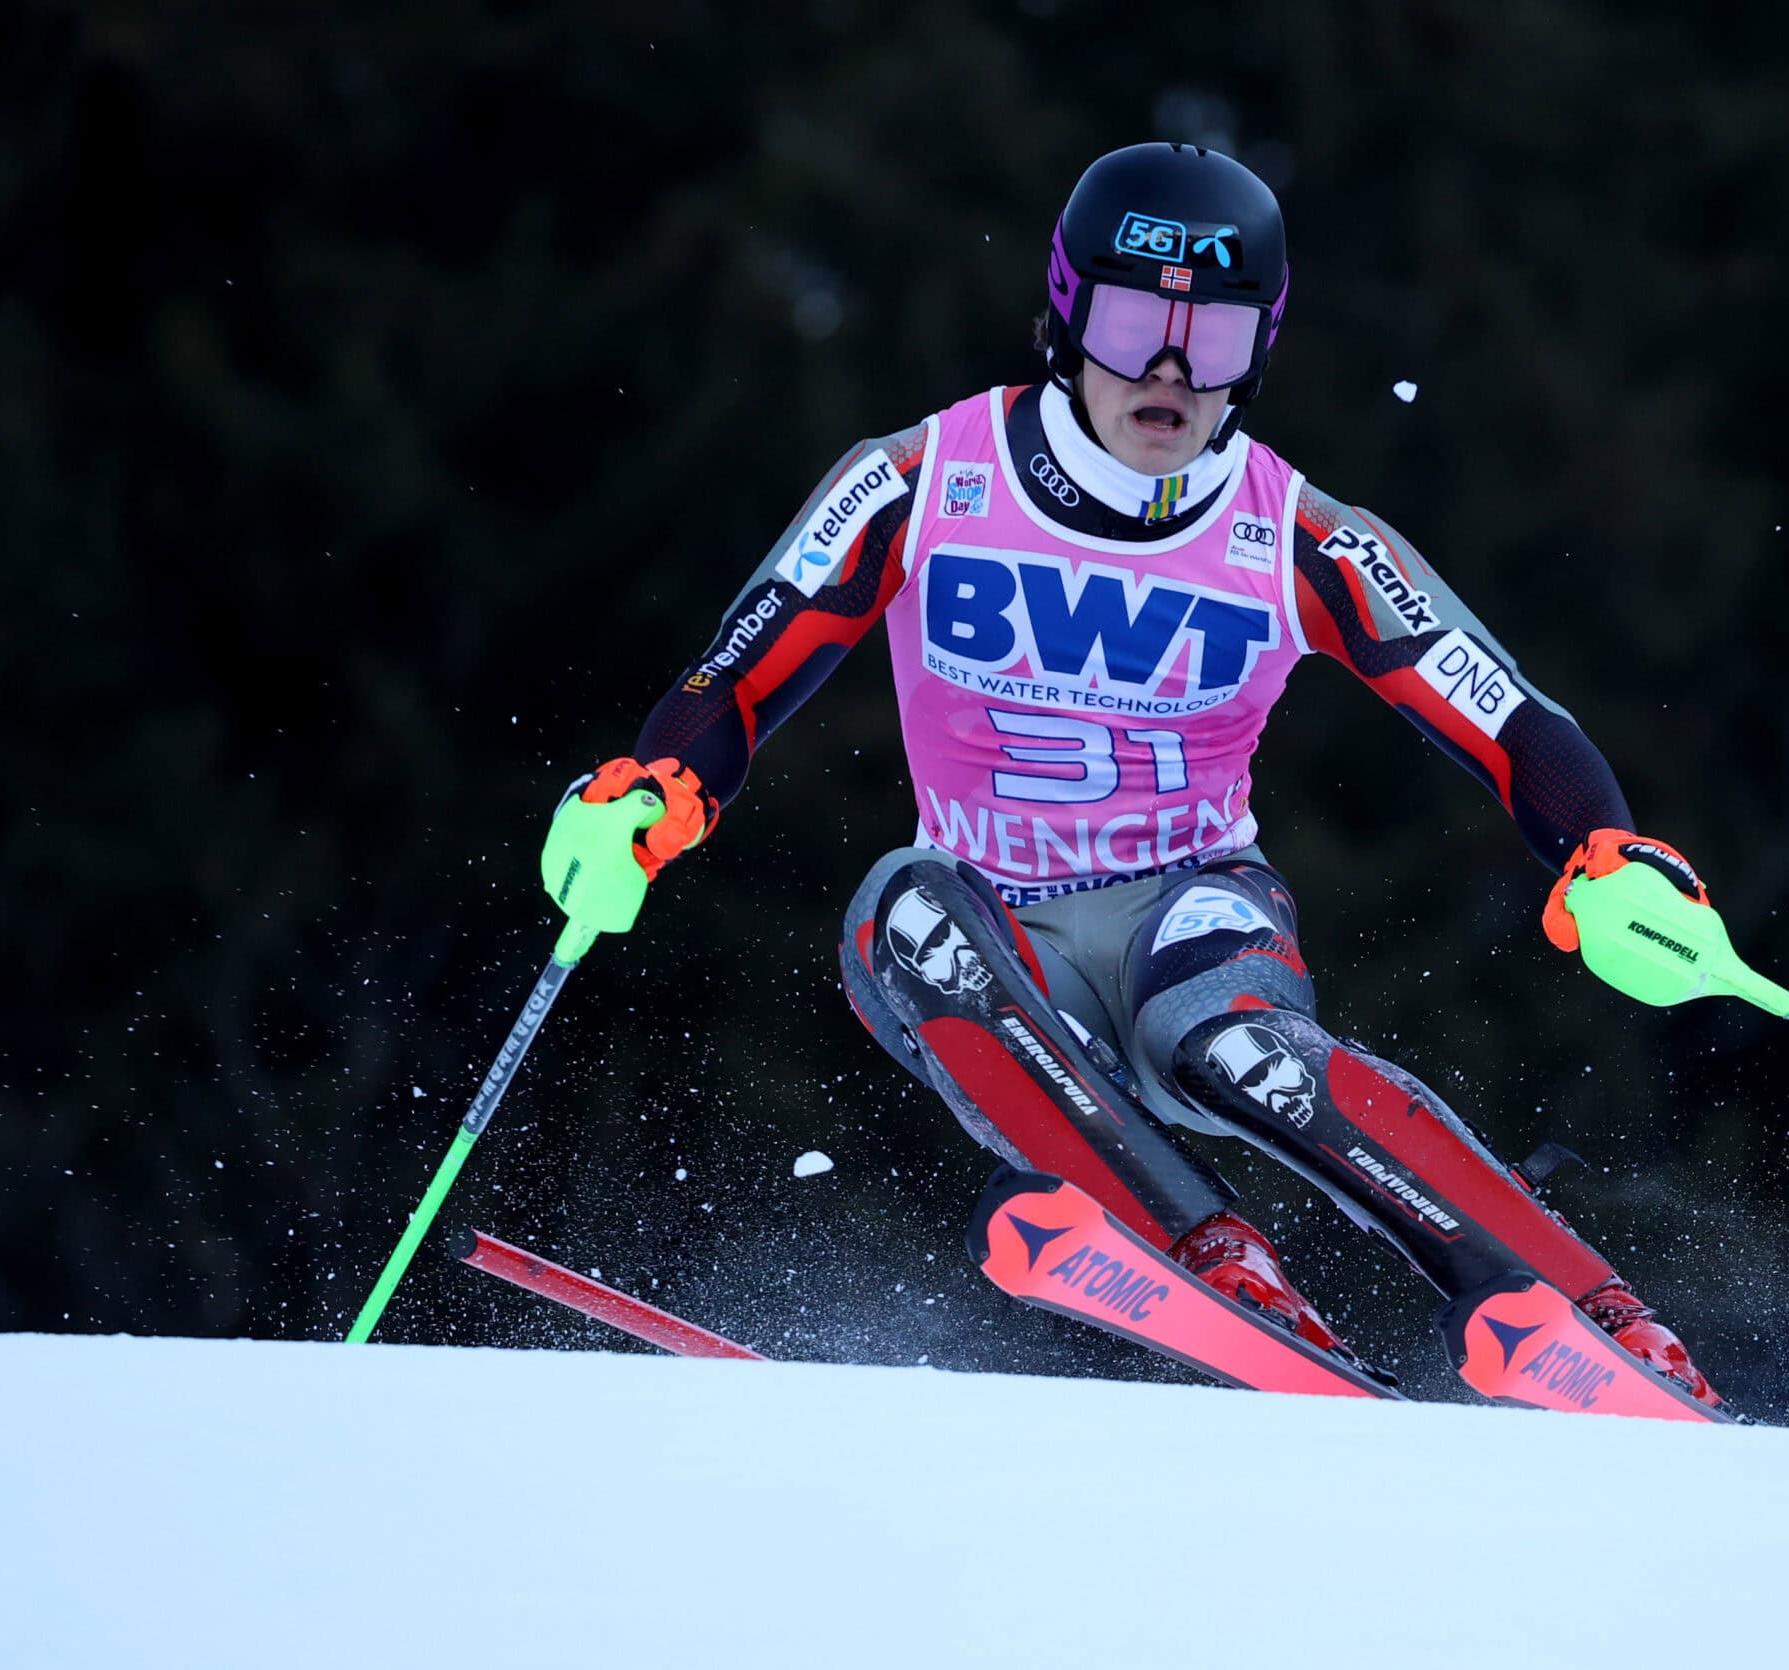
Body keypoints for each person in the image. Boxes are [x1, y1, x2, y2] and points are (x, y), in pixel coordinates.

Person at [546, 142, 1726, 1409]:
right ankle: (1224, 1262)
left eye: (1209, 340)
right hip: (999, 927)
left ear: (1259, 349)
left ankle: (1600, 1319)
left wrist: (1603, 853)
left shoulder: (1298, 533)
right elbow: (740, 671)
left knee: (1229, 1045)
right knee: (912, 912)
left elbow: (1505, 716)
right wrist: (652, 792)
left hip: (1193, 903)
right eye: (1130, 322)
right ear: (1064, 312)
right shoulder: (919, 481)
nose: (1166, 370)